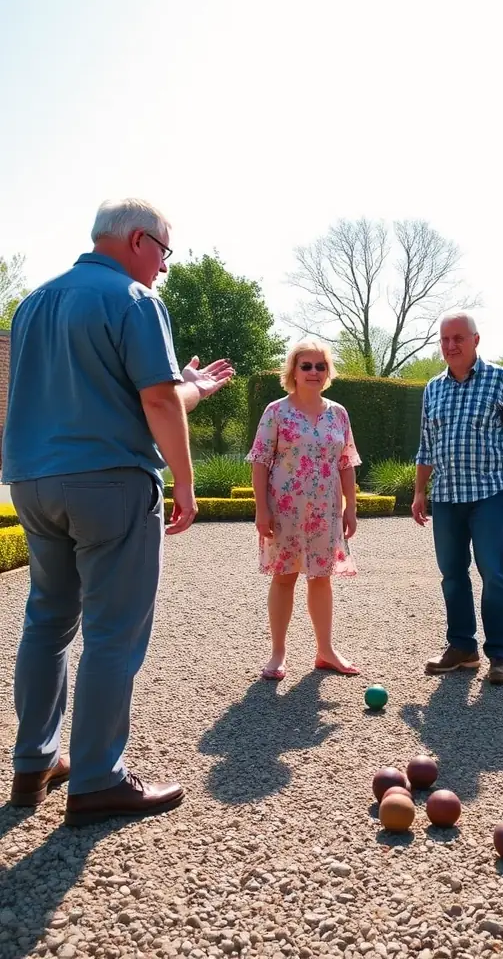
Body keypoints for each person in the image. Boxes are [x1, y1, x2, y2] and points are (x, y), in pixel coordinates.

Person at [4, 198, 233, 824]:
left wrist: (192, 385)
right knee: (112, 631)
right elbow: (156, 404)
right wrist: (184, 483)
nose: (163, 267)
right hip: (109, 481)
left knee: (48, 621)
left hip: (33, 481)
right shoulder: (134, 301)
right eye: (163, 251)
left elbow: (122, 391)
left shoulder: (33, 304)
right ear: (138, 241)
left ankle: (35, 763)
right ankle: (99, 780)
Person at [412, 312, 503, 684]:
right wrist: (420, 491)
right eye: (445, 339)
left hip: (487, 496)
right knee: (451, 574)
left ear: (476, 340)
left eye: (458, 339)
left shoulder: (499, 380)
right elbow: (426, 446)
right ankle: (462, 647)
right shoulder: (433, 388)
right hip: (447, 496)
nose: (450, 346)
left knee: (493, 573)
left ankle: (499, 655)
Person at [248, 338, 361, 680]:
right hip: (284, 508)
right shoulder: (276, 411)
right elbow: (260, 461)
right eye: (306, 365)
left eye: (320, 366)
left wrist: (350, 507)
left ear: (328, 372)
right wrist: (261, 510)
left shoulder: (338, 413)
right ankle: (278, 653)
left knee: (321, 578)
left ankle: (325, 651)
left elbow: (346, 462)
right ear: (293, 371)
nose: (313, 372)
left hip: (325, 510)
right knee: (284, 578)